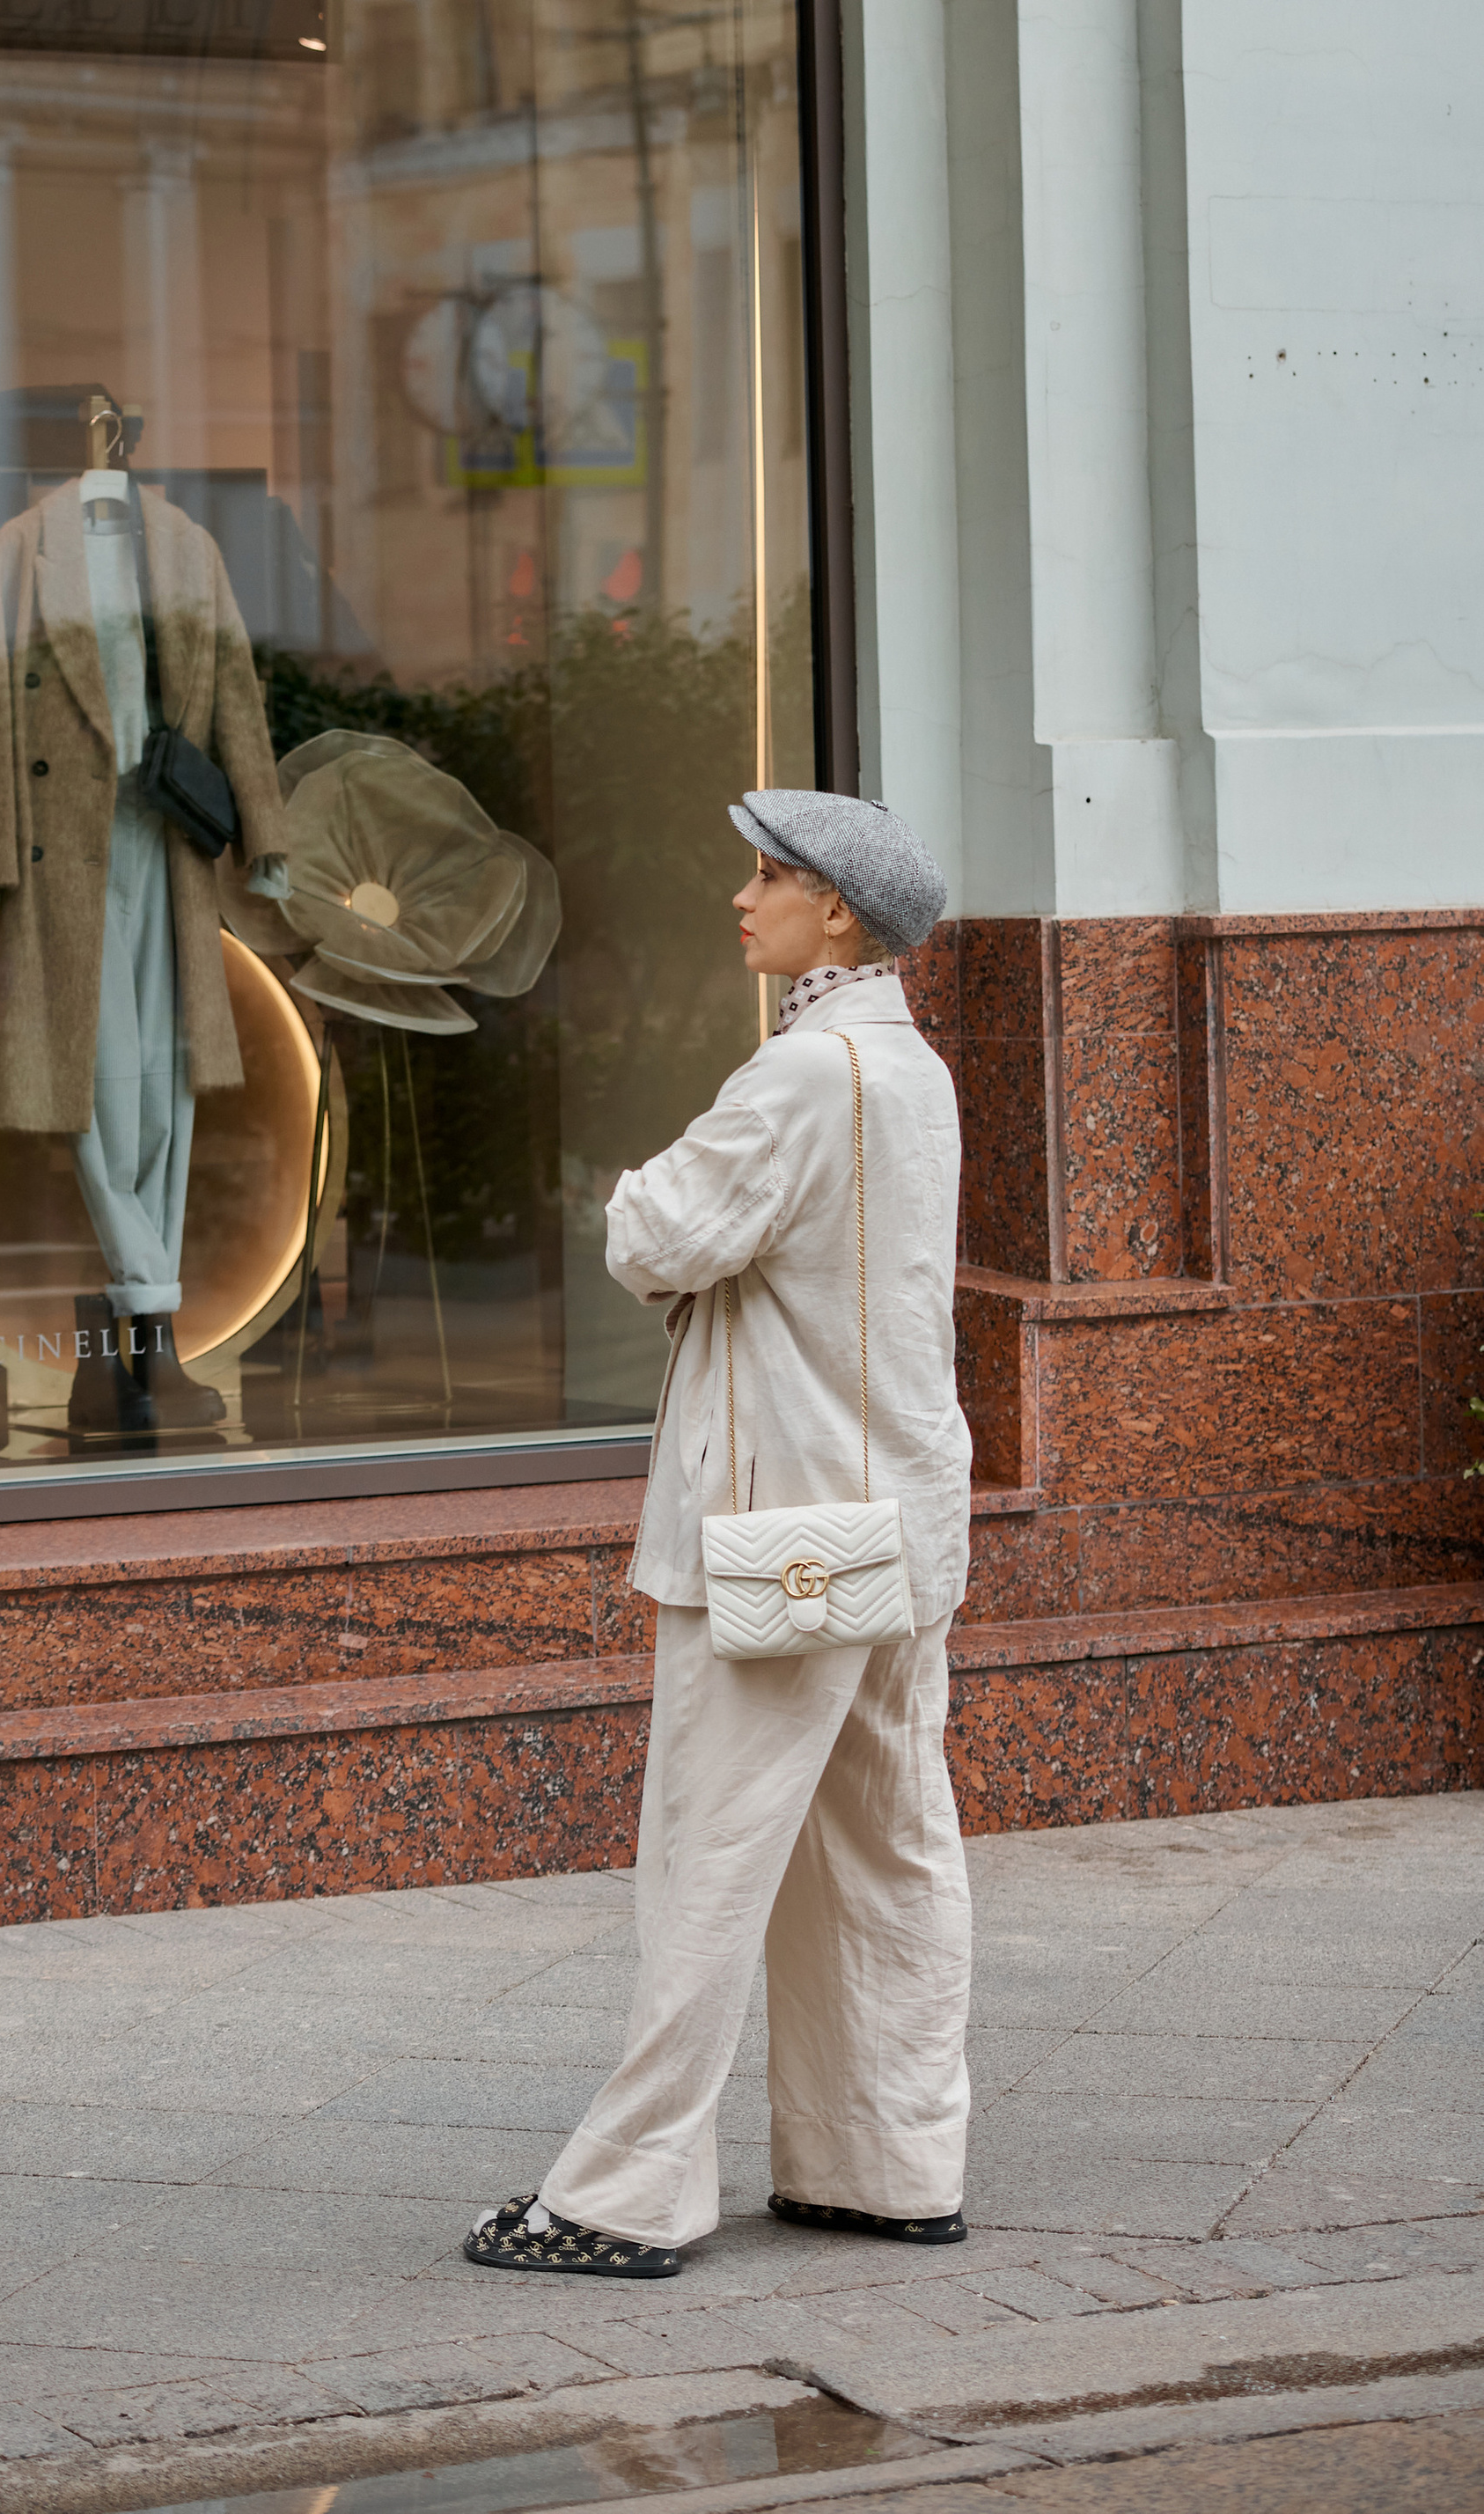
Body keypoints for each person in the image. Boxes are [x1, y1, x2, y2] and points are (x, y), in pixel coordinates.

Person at [467, 788, 971, 2281]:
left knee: (710, 1855)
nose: (744, 897)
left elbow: (658, 1234)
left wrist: (627, 1196)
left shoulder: (805, 1074)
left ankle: (624, 2197)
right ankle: (888, 2164)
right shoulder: (914, 1069)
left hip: (780, 1531)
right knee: (890, 1845)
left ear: (843, 915)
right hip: (895, 1518)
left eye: (772, 876)